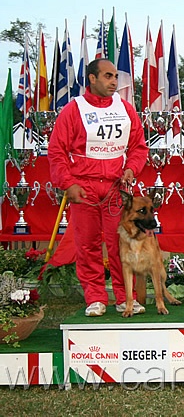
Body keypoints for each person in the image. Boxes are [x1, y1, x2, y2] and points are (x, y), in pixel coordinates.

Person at [48, 59, 149, 317]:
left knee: (121, 244)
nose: (114, 81)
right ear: (92, 79)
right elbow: (57, 151)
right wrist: (68, 183)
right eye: (107, 76)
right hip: (85, 189)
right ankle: (95, 298)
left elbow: (139, 147)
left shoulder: (126, 108)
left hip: (116, 188)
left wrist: (131, 169)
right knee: (87, 245)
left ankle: (126, 298)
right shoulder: (73, 110)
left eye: (115, 76)